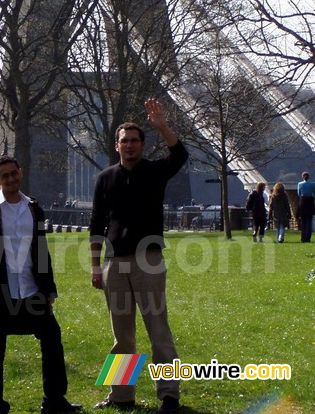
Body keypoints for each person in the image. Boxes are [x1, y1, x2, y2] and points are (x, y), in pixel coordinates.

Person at [89, 98, 188, 414]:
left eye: (134, 140)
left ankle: (169, 395)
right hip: (114, 263)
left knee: (158, 329)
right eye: (124, 141)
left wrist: (163, 126)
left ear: (143, 145)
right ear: (116, 146)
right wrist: (94, 266)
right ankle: (121, 395)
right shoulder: (105, 178)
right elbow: (96, 223)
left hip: (149, 260)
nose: (129, 145)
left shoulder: (156, 172)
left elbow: (180, 155)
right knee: (122, 336)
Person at [0, 156, 81, 414]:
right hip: (0, 292)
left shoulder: (34, 208)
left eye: (14, 173)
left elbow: (42, 250)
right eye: (4, 176)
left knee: (52, 338)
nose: (10, 179)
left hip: (32, 289)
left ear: (21, 173)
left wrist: (49, 288)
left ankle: (54, 400)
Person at [297, 172, 315, 243]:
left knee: (303, 222)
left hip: (303, 202)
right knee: (309, 221)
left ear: (302, 177)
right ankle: (308, 238)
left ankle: (303, 238)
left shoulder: (300, 184)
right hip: (310, 202)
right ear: (308, 177)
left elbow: (299, 193)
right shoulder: (312, 184)